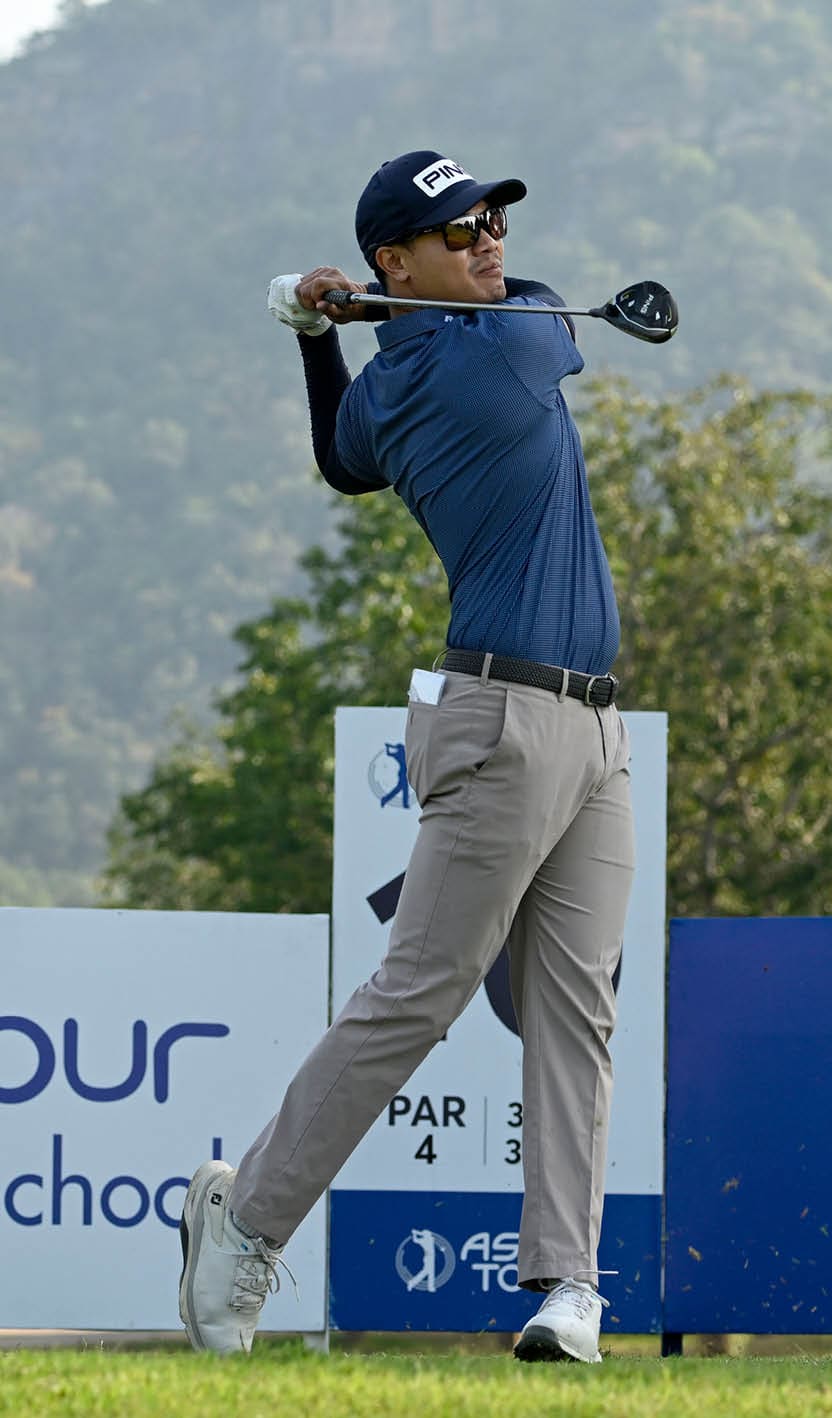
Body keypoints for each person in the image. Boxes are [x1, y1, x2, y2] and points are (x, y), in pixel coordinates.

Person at [178, 150, 635, 1364]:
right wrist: (359, 313)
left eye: (492, 221)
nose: (491, 243)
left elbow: (339, 453)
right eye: (461, 229)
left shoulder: (399, 376)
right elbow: (536, 302)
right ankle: (248, 1218)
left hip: (593, 726)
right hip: (503, 720)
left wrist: (318, 332)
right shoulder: (509, 346)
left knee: (576, 1012)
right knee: (418, 994)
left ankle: (567, 1288)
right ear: (398, 260)